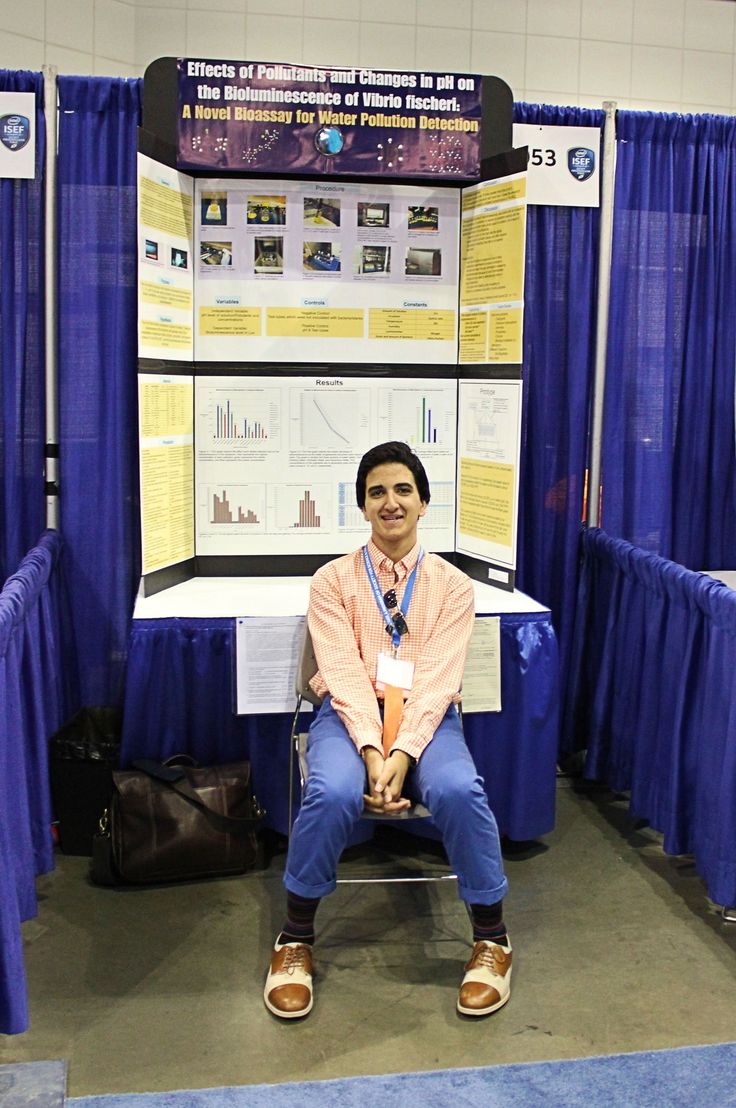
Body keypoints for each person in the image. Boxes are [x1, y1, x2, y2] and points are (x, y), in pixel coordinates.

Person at [264, 441, 511, 1020]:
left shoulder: (453, 586)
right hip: (347, 716)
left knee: (457, 790)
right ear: (363, 506)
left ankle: (492, 938)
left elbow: (437, 680)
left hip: (428, 718)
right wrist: (375, 751)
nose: (391, 502)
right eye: (377, 492)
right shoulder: (332, 581)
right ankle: (294, 938)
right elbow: (344, 675)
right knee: (331, 790)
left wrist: (404, 752)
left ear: (424, 503)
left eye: (403, 490)